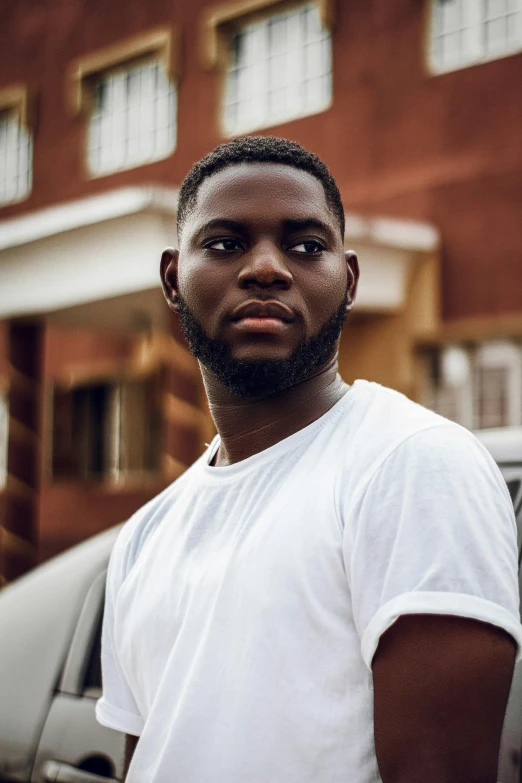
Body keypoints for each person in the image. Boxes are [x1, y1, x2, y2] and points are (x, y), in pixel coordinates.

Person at [96, 136, 522, 783]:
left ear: (349, 280)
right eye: (225, 242)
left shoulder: (412, 465)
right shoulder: (146, 534)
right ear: (172, 278)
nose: (266, 267)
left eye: (305, 246)